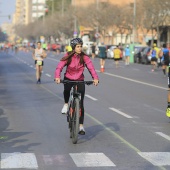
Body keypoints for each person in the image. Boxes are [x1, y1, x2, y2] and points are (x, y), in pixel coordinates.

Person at [55, 38, 99, 135]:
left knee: (81, 104)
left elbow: (91, 68)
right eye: (78, 47)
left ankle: (81, 126)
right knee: (66, 90)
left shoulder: (84, 57)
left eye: (80, 46)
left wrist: (95, 78)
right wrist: (57, 76)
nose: (80, 48)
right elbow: (60, 66)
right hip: (68, 78)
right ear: (73, 47)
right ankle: (66, 104)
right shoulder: (68, 56)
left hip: (79, 79)